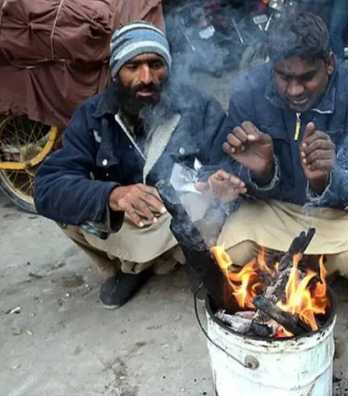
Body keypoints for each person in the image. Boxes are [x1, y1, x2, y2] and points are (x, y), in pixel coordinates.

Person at [34, 21, 226, 309]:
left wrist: (214, 182)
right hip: (128, 222)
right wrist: (112, 196)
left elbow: (229, 165)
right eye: (133, 66)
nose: (146, 77)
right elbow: (47, 186)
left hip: (181, 216)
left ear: (168, 68)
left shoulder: (200, 108)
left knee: (216, 209)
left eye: (155, 64)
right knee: (70, 207)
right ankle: (129, 268)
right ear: (116, 72)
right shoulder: (92, 117)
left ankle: (195, 262)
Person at [204, 11, 348, 302]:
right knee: (231, 251)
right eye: (284, 77)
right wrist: (262, 172)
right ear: (271, 65)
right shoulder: (247, 93)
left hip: (336, 214)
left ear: (329, 63)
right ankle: (298, 268)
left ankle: (312, 270)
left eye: (306, 77)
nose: (294, 90)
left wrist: (326, 180)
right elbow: (231, 170)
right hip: (275, 206)